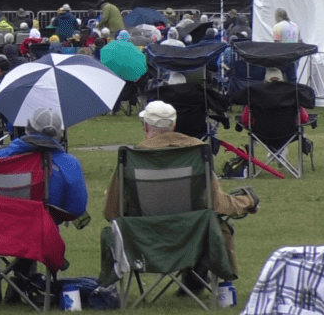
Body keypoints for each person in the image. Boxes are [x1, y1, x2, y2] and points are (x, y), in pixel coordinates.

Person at [102, 100, 258, 292]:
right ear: (174, 125)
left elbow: (110, 212)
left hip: (143, 241)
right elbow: (218, 204)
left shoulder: (131, 158)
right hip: (193, 238)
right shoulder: (197, 152)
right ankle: (202, 284)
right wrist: (248, 200)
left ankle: (191, 285)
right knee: (216, 224)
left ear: (146, 127)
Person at [0, 109, 88, 303]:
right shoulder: (68, 164)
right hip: (37, 234)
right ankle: (21, 283)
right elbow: (77, 208)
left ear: (28, 129)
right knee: (39, 224)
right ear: (59, 133)